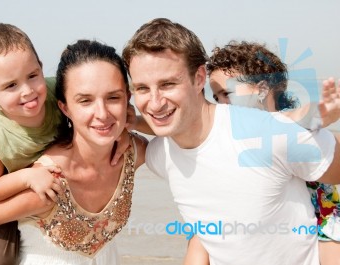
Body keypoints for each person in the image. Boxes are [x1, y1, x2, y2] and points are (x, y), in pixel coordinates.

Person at [122, 18, 340, 264]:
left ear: (198, 79)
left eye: (168, 84)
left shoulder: (267, 132)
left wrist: (320, 119)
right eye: (141, 88)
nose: (154, 102)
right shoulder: (160, 154)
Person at [0, 39, 148, 264]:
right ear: (64, 107)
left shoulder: (131, 153)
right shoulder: (49, 185)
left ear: (128, 100)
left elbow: (183, 135)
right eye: (85, 100)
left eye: (113, 97)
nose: (102, 113)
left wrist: (133, 124)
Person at [206, 40, 340, 265]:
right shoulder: (232, 132)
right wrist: (139, 122)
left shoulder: (280, 121)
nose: (220, 103)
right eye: (216, 97)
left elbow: (302, 115)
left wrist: (324, 113)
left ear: (261, 89)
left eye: (226, 93)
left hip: (325, 214)